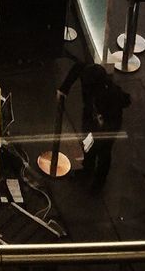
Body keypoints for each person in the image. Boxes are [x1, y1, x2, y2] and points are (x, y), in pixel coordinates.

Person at [57, 59, 130, 191]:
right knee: (87, 143)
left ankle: (98, 183)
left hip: (108, 125)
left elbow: (125, 101)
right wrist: (64, 89)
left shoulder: (110, 94)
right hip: (92, 116)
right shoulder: (89, 73)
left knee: (103, 153)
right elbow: (77, 68)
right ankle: (87, 168)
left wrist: (102, 123)